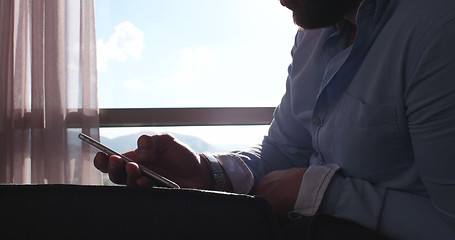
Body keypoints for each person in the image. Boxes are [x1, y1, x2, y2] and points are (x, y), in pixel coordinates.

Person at [93, 0, 455, 239]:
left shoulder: (437, 31)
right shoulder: (313, 37)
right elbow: (285, 151)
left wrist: (321, 193)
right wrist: (207, 173)